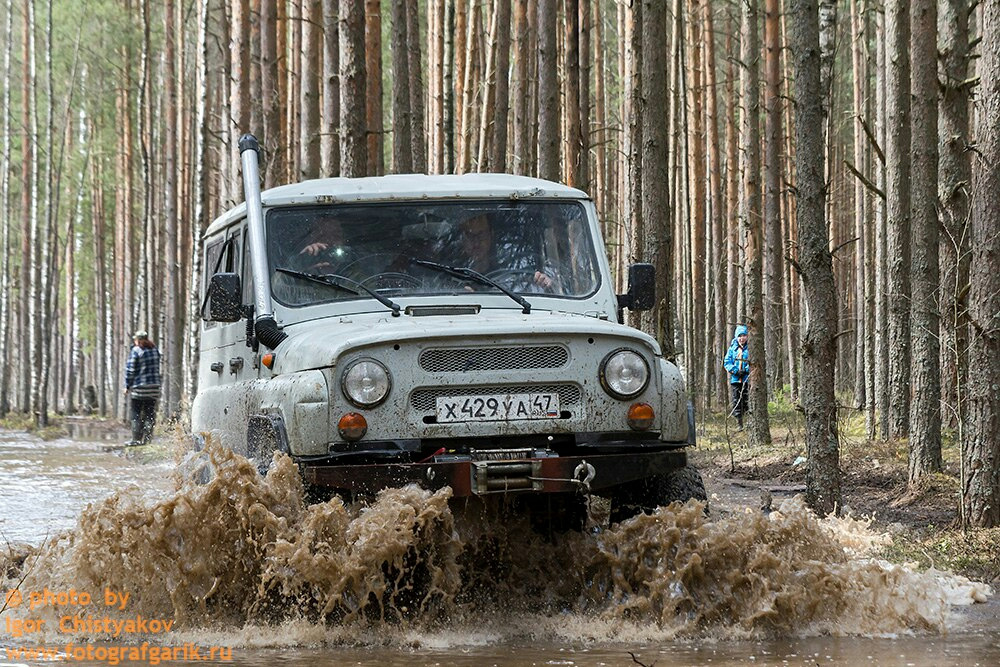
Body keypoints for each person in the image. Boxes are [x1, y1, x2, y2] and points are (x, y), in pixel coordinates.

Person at [456, 214, 555, 291]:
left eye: (481, 235)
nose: (476, 243)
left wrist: (544, 282)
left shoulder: (517, 269)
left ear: (491, 235)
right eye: (470, 236)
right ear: (462, 240)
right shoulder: (450, 274)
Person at [124, 330, 162, 446]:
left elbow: (130, 370)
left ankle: (136, 440)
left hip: (139, 388)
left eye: (135, 340)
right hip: (154, 388)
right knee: (149, 413)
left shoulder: (136, 351)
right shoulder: (155, 350)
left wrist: (127, 385)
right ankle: (147, 440)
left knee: (136, 413)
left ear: (139, 340)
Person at [723, 324, 750, 430]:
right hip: (735, 380)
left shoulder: (750, 348)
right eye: (739, 336)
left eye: (744, 335)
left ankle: (749, 422)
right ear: (736, 337)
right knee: (736, 401)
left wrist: (746, 370)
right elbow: (727, 362)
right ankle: (739, 423)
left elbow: (753, 361)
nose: (741, 338)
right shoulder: (732, 349)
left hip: (747, 380)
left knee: (747, 401)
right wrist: (735, 370)